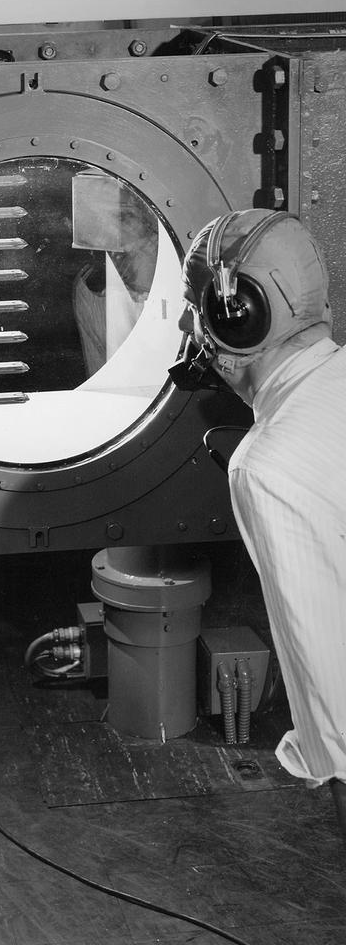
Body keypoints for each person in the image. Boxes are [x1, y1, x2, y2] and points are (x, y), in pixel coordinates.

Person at [173, 207, 346, 829]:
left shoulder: (268, 469)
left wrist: (325, 761)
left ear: (232, 316)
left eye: (197, 309)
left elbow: (331, 690)